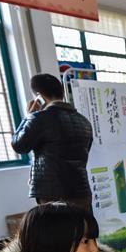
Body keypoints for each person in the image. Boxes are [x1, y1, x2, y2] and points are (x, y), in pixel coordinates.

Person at [11, 73, 93, 211]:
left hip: (52, 193)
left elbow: (19, 145)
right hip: (81, 190)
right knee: (82, 231)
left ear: (39, 96)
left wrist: (29, 116)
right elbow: (86, 151)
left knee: (57, 232)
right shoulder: (84, 121)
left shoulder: (39, 118)